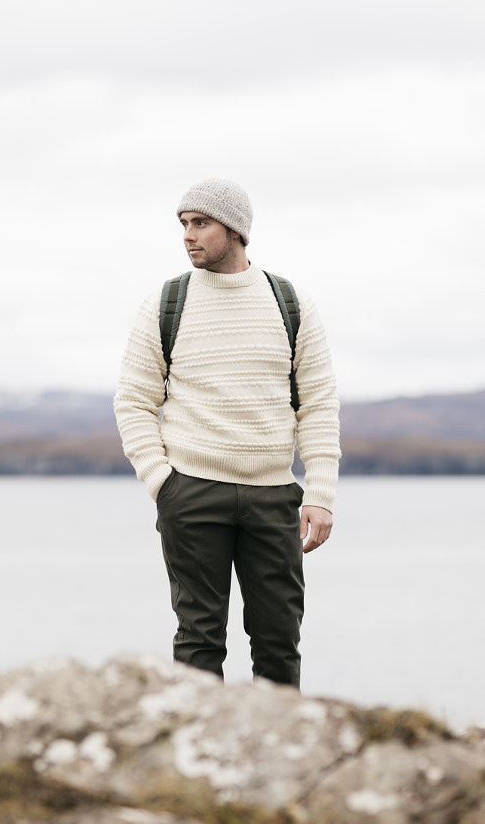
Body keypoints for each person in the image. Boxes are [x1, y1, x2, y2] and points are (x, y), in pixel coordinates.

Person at [114, 178, 340, 688]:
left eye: (200, 224)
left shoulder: (291, 303)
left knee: (279, 641)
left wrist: (321, 494)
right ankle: (194, 766)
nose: (188, 236)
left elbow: (320, 405)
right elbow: (133, 401)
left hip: (273, 496)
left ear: (235, 231)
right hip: (191, 493)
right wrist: (162, 484)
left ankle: (280, 762)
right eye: (184, 225)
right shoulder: (165, 303)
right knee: (198, 642)